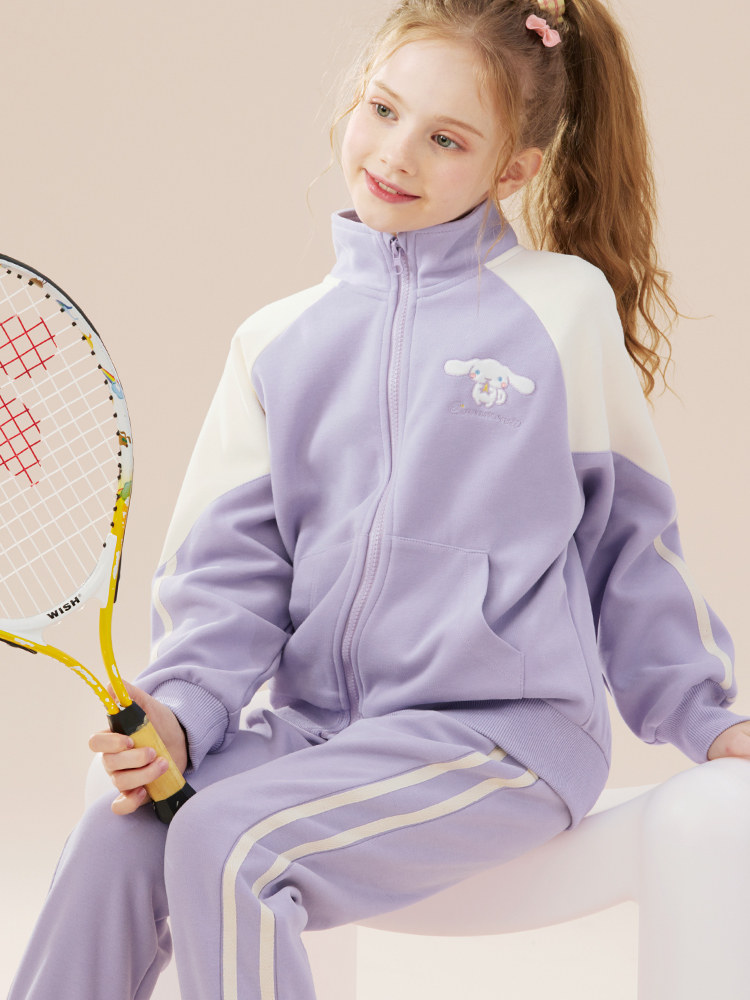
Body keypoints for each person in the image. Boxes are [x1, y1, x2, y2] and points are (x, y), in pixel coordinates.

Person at [9, 1, 750, 998]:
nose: (397, 152)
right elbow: (232, 579)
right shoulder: (276, 342)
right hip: (322, 734)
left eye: (447, 139)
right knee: (122, 834)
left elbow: (629, 542)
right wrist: (180, 712)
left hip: (500, 737)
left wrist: (703, 713)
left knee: (228, 844)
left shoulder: (558, 312)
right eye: (384, 109)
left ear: (512, 171)